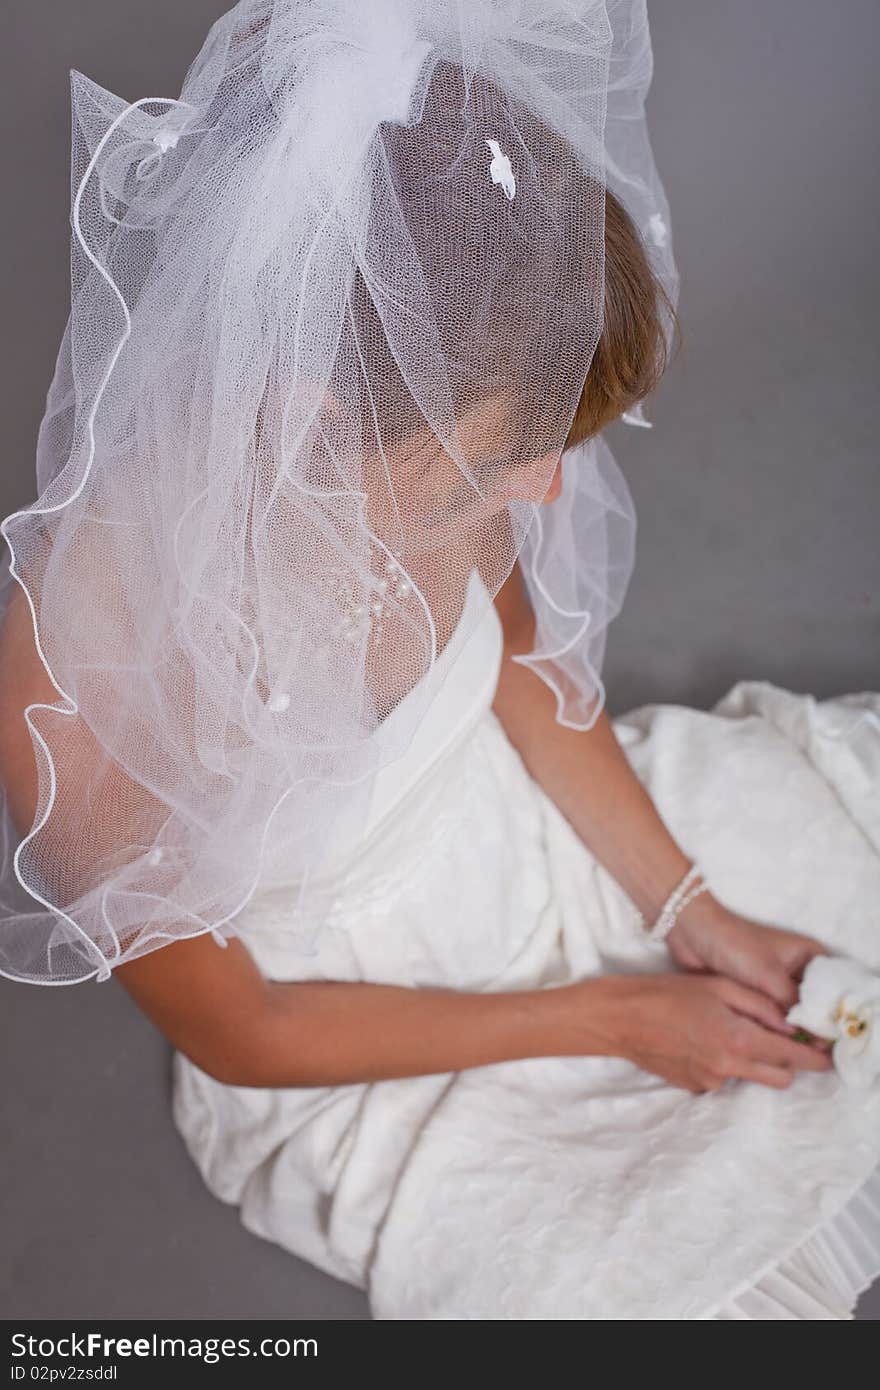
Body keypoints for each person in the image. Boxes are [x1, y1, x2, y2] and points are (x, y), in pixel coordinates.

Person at [0, 1, 878, 1320]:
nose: (544, 492)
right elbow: (243, 1028)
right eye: (508, 458)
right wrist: (613, 1019)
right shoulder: (74, 666)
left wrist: (686, 904)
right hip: (356, 1023)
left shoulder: (434, 440)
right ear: (310, 417)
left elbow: (521, 666)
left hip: (527, 840)